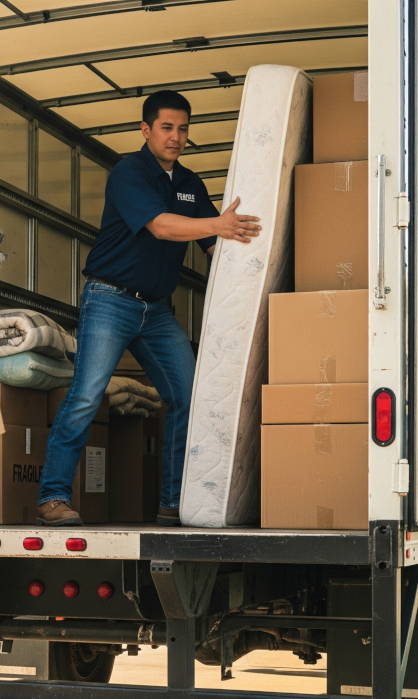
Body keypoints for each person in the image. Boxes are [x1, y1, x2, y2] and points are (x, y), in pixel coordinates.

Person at [36, 90, 262, 527]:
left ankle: (172, 504)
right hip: (109, 299)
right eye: (166, 128)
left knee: (188, 395)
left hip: (155, 311)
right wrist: (218, 224)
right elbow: (160, 226)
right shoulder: (129, 173)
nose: (176, 137)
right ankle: (53, 498)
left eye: (183, 129)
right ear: (146, 129)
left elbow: (216, 245)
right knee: (86, 395)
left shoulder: (191, 185)